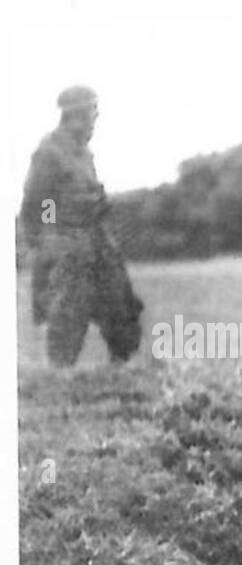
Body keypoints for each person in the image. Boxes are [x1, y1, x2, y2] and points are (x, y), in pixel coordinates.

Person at [20, 85, 143, 367]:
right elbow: (41, 202)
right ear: (74, 115)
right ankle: (62, 382)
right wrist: (52, 237)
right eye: (91, 114)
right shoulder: (49, 152)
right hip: (69, 244)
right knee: (68, 317)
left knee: (123, 309)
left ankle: (120, 373)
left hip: (97, 240)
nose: (94, 121)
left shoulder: (84, 152)